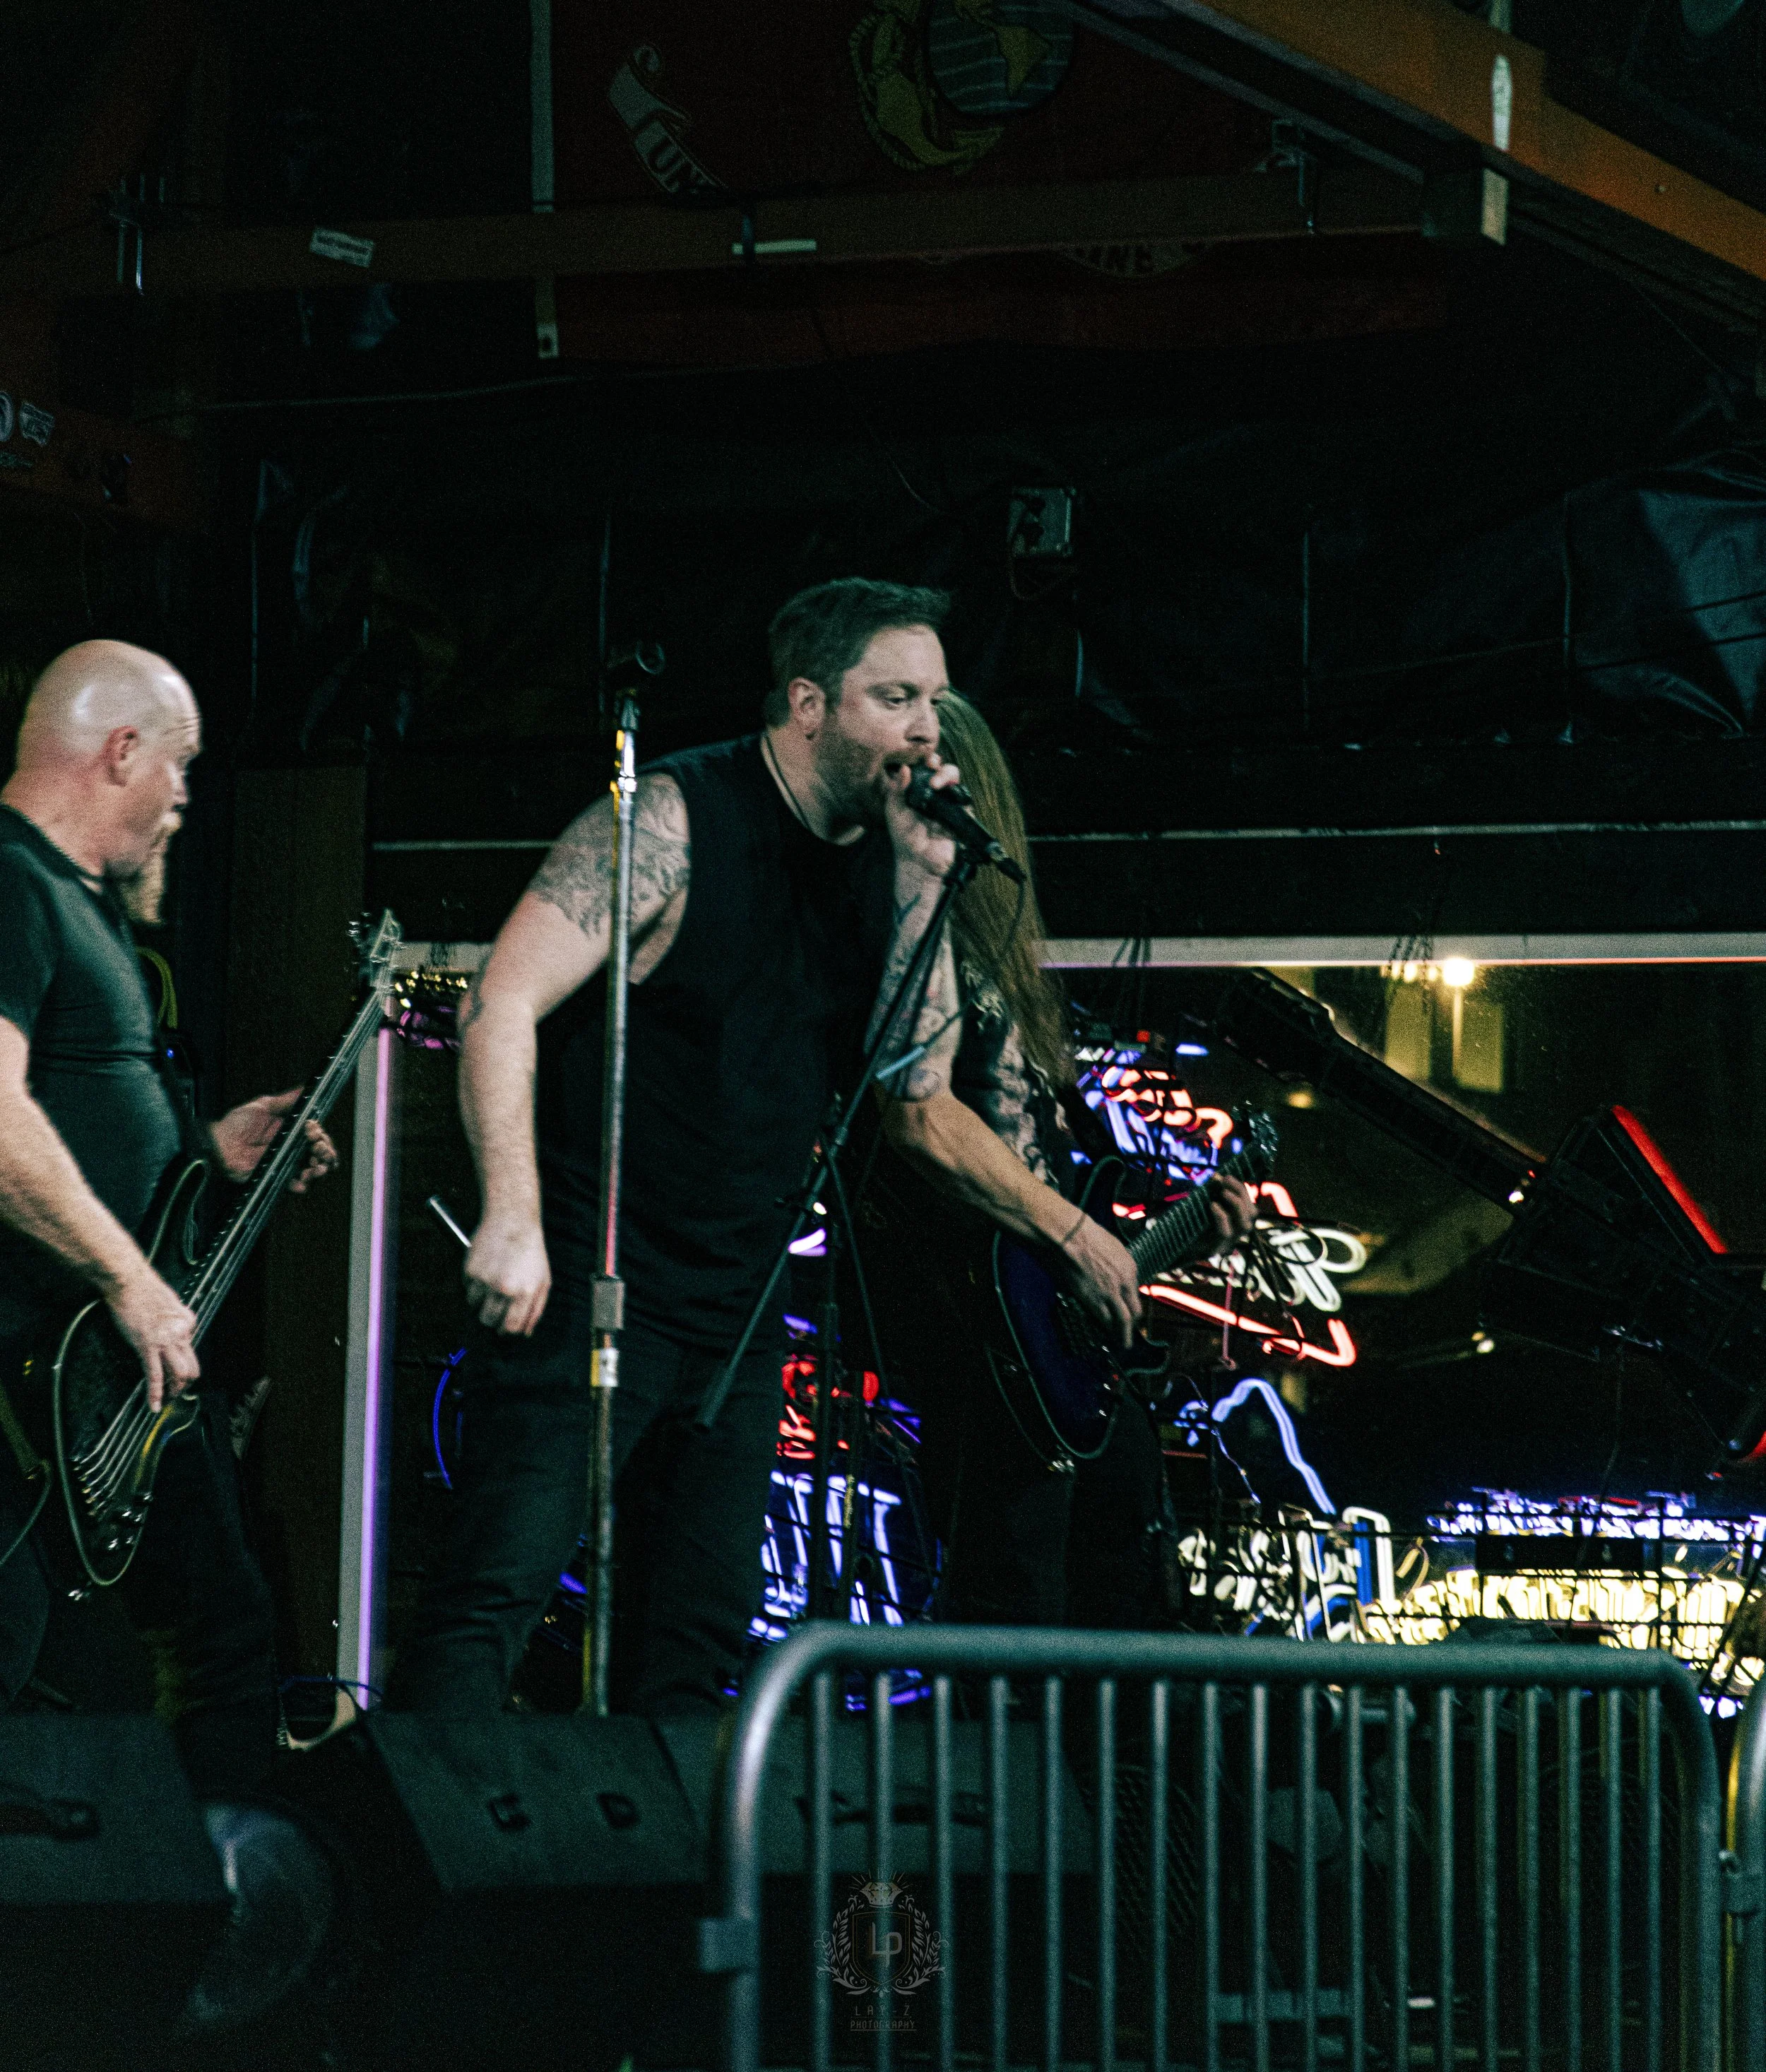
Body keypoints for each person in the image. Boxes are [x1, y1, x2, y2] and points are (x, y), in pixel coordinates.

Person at [388, 578, 965, 1717]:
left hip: (740, 1311)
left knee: (694, 1630)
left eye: (935, 702)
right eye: (894, 698)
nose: (925, 731)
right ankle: (420, 1879)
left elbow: (919, 1080)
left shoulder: (885, 858)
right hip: (600, 1282)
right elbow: (499, 1003)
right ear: (808, 704)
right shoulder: (672, 816)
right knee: (494, 1597)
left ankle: (652, 1892)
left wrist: (924, 881)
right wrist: (511, 1214)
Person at [0, 640, 337, 1796]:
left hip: (112, 1368)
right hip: (40, 1364)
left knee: (224, 1634)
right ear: (120, 750)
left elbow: (69, 1109)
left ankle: (213, 1922)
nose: (187, 802)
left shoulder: (77, 912)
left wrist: (207, 1151)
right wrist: (129, 1281)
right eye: (180, 768)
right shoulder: (7, 881)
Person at [867, 692, 1255, 1630]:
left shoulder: (995, 944)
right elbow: (914, 1121)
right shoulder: (902, 930)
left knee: (1122, 1579)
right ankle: (1015, 1773)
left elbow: (1057, 1192)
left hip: (1045, 1334)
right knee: (1016, 1588)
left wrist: (1175, 1236)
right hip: (971, 1324)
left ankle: (1114, 1776)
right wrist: (1073, 1232)